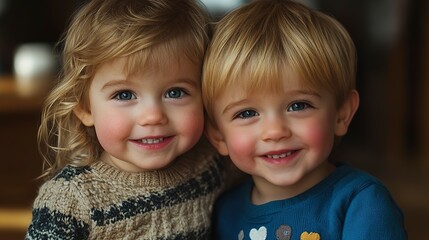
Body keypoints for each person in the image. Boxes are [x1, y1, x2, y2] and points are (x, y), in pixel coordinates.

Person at [202, 0, 407, 239]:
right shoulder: (223, 212)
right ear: (217, 134)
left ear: (341, 114)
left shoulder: (361, 204)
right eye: (247, 113)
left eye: (298, 106)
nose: (275, 131)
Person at [25, 0, 228, 239]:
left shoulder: (213, 163)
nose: (153, 116)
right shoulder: (71, 199)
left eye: (175, 92)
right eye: (124, 95)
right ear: (85, 109)